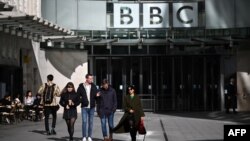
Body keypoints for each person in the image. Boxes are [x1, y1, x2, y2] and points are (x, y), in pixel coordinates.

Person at [77, 74, 99, 141]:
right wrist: (82, 100)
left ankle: (89, 136)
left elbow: (96, 94)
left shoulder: (93, 86)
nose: (91, 80)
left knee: (91, 122)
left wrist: (97, 95)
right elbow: (77, 95)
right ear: (86, 78)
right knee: (84, 121)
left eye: (92, 78)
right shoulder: (81, 86)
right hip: (84, 107)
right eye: (90, 78)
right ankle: (84, 136)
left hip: (92, 107)